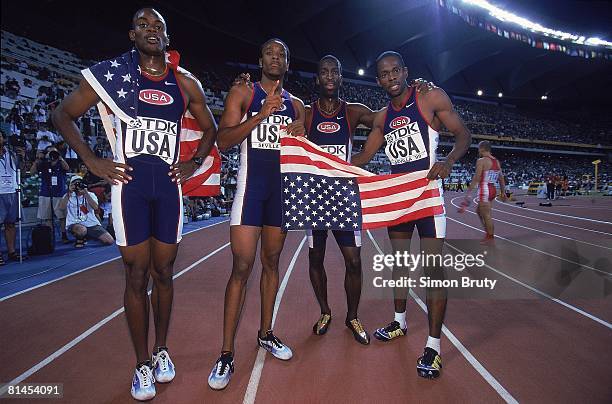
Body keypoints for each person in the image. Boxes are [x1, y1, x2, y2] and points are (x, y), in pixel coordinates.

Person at [52, 8, 217, 401]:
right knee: (136, 275)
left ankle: (161, 351)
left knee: (164, 272)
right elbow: (63, 114)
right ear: (131, 35)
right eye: (143, 25)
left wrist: (194, 162)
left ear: (167, 35)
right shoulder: (116, 78)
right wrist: (91, 160)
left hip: (169, 191)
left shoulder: (185, 82)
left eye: (158, 25)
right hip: (131, 190)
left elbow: (210, 128)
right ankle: (141, 363)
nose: (151, 30)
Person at [352, 51, 471, 379]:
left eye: (395, 71)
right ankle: (400, 322)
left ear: (405, 72)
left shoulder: (430, 97)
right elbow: (363, 155)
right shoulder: (382, 117)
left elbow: (463, 135)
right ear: (378, 80)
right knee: (400, 265)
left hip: (428, 195)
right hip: (399, 199)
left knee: (433, 271)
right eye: (384, 74)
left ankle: (433, 347)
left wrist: (447, 161)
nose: (390, 78)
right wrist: (327, 164)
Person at [207, 38, 305, 391]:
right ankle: (226, 353)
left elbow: (302, 147)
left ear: (288, 63)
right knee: (242, 267)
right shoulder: (244, 94)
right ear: (260, 59)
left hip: (280, 196)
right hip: (251, 192)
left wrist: (300, 132)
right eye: (270, 53)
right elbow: (223, 140)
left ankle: (266, 334)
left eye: (282, 54)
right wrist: (261, 115)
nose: (276, 58)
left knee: (272, 262)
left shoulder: (297, 106)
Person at [463, 141, 506, 244]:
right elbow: (501, 178)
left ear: (482, 148)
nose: (478, 151)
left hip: (484, 190)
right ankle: (488, 233)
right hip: (493, 189)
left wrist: (468, 193)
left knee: (486, 215)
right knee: (479, 211)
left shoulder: (481, 161)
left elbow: (477, 177)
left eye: (479, 148)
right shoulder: (496, 161)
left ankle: (490, 237)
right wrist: (503, 192)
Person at [58, 176, 114, 247]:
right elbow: (61, 208)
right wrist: (69, 192)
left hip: (91, 224)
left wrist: (85, 193)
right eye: (75, 184)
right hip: (75, 223)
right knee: (82, 230)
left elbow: (95, 207)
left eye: (79, 184)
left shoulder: (90, 194)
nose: (77, 186)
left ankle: (87, 236)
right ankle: (80, 238)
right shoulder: (68, 195)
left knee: (109, 241)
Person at [29, 145, 69, 243]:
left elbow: (67, 168)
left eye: (54, 152)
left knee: (62, 217)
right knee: (47, 217)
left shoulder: (60, 163)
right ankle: (50, 236)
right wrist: (38, 159)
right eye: (49, 152)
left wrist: (59, 157)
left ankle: (64, 235)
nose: (52, 154)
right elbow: (32, 172)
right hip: (45, 193)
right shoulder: (44, 164)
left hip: (59, 193)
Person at [0, 134, 25, 264]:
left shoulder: (11, 153)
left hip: (13, 191)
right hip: (0, 192)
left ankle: (11, 252)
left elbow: (22, 170)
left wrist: (22, 157)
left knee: (10, 224)